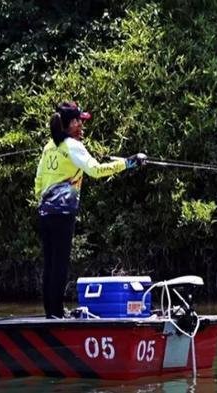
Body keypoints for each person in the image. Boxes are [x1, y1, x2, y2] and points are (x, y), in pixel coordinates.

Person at [34, 101, 147, 318]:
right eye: (79, 122)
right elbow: (95, 170)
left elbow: (39, 180)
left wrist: (43, 201)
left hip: (45, 213)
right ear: (71, 123)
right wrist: (129, 162)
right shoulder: (73, 146)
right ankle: (55, 315)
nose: (82, 127)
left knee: (50, 263)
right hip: (63, 213)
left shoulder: (49, 146)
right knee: (60, 264)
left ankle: (51, 313)